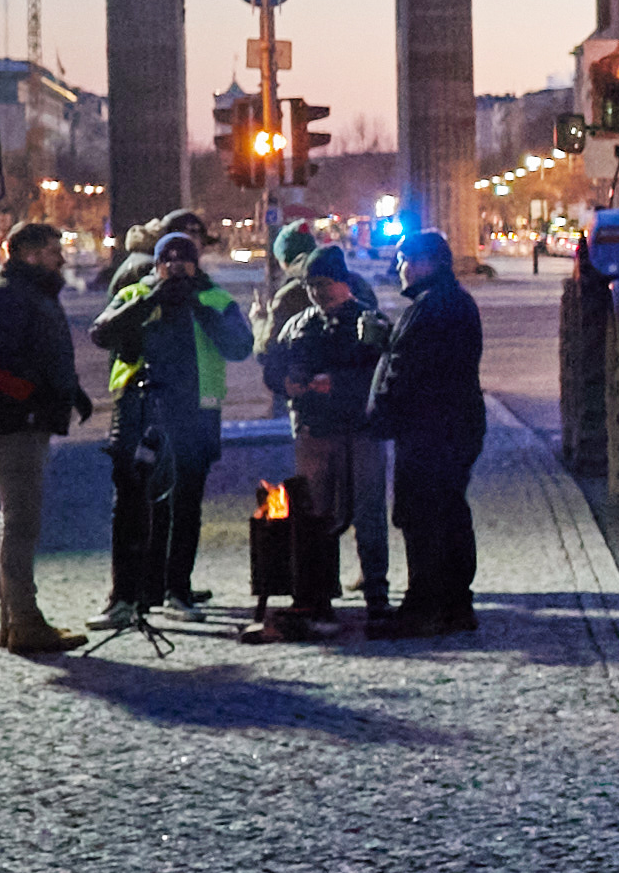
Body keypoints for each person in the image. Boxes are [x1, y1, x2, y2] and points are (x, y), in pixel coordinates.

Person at [93, 228, 255, 616]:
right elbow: (101, 332)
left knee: (186, 503)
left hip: (195, 411)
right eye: (167, 260)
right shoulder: (136, 294)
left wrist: (198, 307)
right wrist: (152, 299)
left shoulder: (214, 297)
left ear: (196, 263)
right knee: (130, 503)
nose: (175, 267)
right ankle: (125, 596)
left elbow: (239, 347)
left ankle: (177, 589)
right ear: (157, 264)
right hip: (139, 408)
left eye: (183, 260)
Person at [0, 220, 92, 657]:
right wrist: (36, 399)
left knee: (15, 521)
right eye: (55, 250)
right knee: (21, 524)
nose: (62, 257)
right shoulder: (3, 293)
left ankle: (15, 623)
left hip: (19, 418)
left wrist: (70, 391)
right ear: (31, 252)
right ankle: (25, 623)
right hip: (11, 423)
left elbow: (40, 352)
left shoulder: (23, 289)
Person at [257, 248, 393, 632]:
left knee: (367, 512)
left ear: (342, 282)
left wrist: (338, 385)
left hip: (360, 430)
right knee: (317, 516)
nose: (316, 293)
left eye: (322, 284)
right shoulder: (300, 324)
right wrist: (286, 384)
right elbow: (273, 366)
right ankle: (319, 595)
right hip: (314, 430)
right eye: (311, 286)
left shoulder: (368, 321)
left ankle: (376, 594)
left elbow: (383, 372)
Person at [366, 232, 488, 634]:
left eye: (404, 260)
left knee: (422, 517)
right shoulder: (450, 301)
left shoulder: (431, 306)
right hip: (455, 425)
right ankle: (455, 604)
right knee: (450, 512)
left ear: (425, 263)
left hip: (431, 430)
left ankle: (423, 608)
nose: (399, 268)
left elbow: (409, 369)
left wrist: (380, 412)